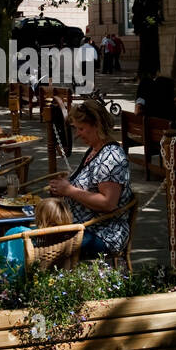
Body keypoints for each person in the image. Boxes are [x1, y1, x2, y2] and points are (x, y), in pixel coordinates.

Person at [46, 100, 132, 260]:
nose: (77, 134)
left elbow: (108, 203)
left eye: (81, 128)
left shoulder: (111, 157)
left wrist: (69, 190)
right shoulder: (94, 150)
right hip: (81, 227)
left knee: (37, 245)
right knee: (21, 235)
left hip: (103, 233)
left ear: (97, 126)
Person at [0, 197, 73, 283]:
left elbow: (1, 258)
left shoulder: (21, 234)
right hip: (53, 280)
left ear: (39, 216)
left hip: (20, 282)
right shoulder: (70, 235)